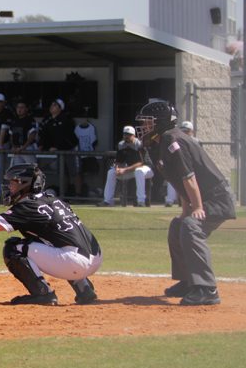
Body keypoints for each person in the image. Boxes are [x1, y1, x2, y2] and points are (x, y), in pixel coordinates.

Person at [0, 163, 101, 305]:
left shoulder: (28, 206)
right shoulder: (53, 199)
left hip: (74, 263)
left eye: (13, 182)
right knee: (50, 241)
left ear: (24, 184)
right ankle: (84, 289)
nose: (9, 186)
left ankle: (43, 294)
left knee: (13, 248)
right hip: (95, 258)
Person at [136, 100, 236, 305]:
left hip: (217, 198)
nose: (144, 126)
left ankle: (207, 288)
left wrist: (197, 208)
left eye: (148, 122)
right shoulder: (160, 143)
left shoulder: (173, 140)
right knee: (178, 225)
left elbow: (189, 177)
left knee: (191, 226)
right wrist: (185, 211)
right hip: (203, 198)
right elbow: (179, 182)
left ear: (160, 122)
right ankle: (189, 281)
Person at [98, 125, 154, 207]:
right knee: (111, 172)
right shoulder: (121, 145)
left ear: (133, 135)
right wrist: (117, 169)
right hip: (131, 170)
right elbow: (118, 161)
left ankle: (141, 201)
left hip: (147, 169)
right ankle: (107, 201)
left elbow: (141, 163)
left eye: (129, 135)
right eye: (125, 134)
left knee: (139, 171)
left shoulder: (139, 144)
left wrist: (124, 170)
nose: (126, 136)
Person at [38, 98, 77, 194]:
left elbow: (68, 137)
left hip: (70, 149)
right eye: (52, 105)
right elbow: (44, 136)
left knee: (75, 172)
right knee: (63, 173)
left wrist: (59, 147)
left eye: (55, 105)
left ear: (60, 108)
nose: (52, 107)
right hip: (57, 152)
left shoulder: (66, 120)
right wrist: (43, 146)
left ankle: (78, 195)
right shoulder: (48, 120)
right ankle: (64, 194)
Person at [2, 100, 38, 165]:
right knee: (18, 171)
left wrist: (23, 147)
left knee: (31, 170)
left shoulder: (30, 120)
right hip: (17, 149)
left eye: (22, 107)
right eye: (18, 107)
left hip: (27, 148)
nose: (19, 109)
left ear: (26, 109)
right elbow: (11, 135)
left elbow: (32, 135)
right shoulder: (14, 120)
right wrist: (13, 146)